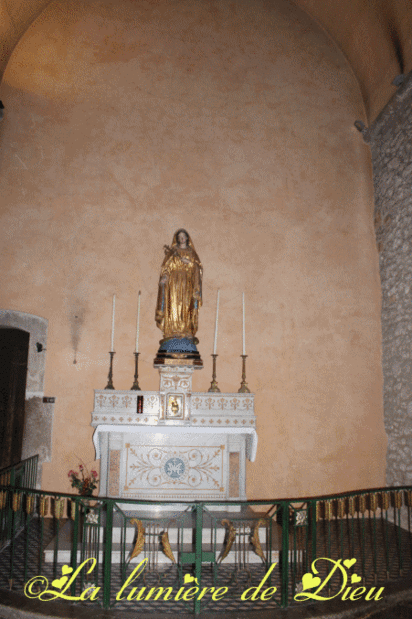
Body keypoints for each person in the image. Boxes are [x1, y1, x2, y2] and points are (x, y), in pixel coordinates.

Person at [155, 229, 202, 340]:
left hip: (187, 284)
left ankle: (186, 330)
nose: (181, 238)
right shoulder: (172, 252)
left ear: (187, 238)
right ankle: (172, 331)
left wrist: (189, 263)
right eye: (179, 236)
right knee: (173, 304)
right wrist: (165, 277)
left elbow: (198, 269)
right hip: (173, 284)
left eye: (183, 236)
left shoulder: (191, 253)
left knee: (186, 305)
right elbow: (166, 268)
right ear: (177, 239)